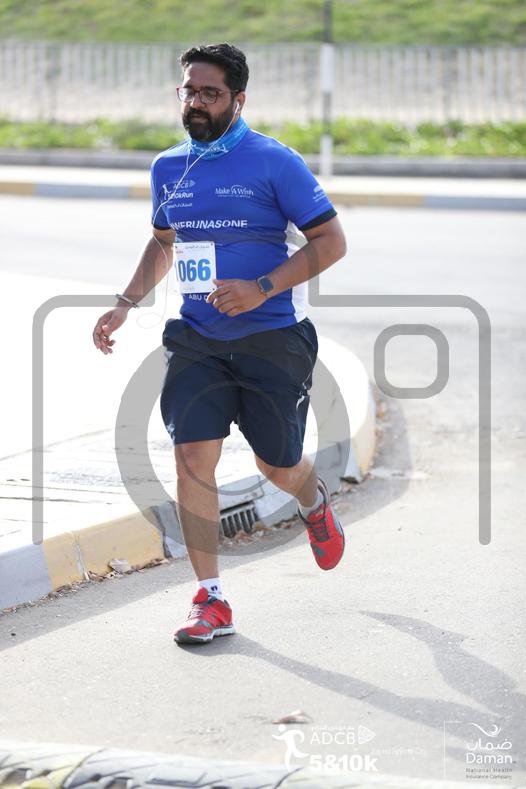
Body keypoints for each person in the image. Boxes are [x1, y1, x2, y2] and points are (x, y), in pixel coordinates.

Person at [92, 43, 347, 645]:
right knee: (191, 459)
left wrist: (262, 288)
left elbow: (331, 243)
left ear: (238, 99)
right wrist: (125, 303)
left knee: (276, 465)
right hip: (197, 339)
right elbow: (164, 243)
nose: (197, 102)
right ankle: (211, 598)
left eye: (210, 93)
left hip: (272, 338)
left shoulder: (274, 161)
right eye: (190, 91)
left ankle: (312, 501)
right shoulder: (168, 167)